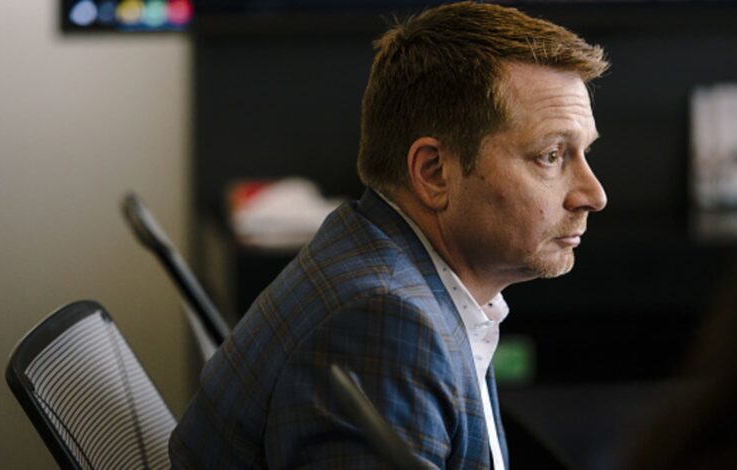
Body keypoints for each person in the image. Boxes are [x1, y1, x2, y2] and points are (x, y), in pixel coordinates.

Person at [170, 2, 609, 468]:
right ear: (434, 172)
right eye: (550, 156)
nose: (594, 195)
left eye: (585, 153)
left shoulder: (373, 257)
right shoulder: (383, 322)